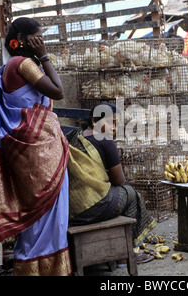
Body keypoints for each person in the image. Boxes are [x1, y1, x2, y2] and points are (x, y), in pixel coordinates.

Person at [0, 17, 72, 276]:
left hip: (36, 152)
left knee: (43, 217)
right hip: (39, 155)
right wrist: (44, 56)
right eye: (38, 37)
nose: (42, 41)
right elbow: (58, 91)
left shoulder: (12, 66)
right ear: (23, 40)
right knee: (43, 216)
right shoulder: (23, 64)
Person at [65, 103, 157, 263]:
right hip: (92, 208)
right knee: (130, 193)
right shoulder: (105, 141)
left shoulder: (73, 136)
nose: (114, 128)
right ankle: (126, 254)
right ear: (95, 121)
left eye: (117, 124)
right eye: (111, 122)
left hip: (69, 211)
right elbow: (119, 181)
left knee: (117, 194)